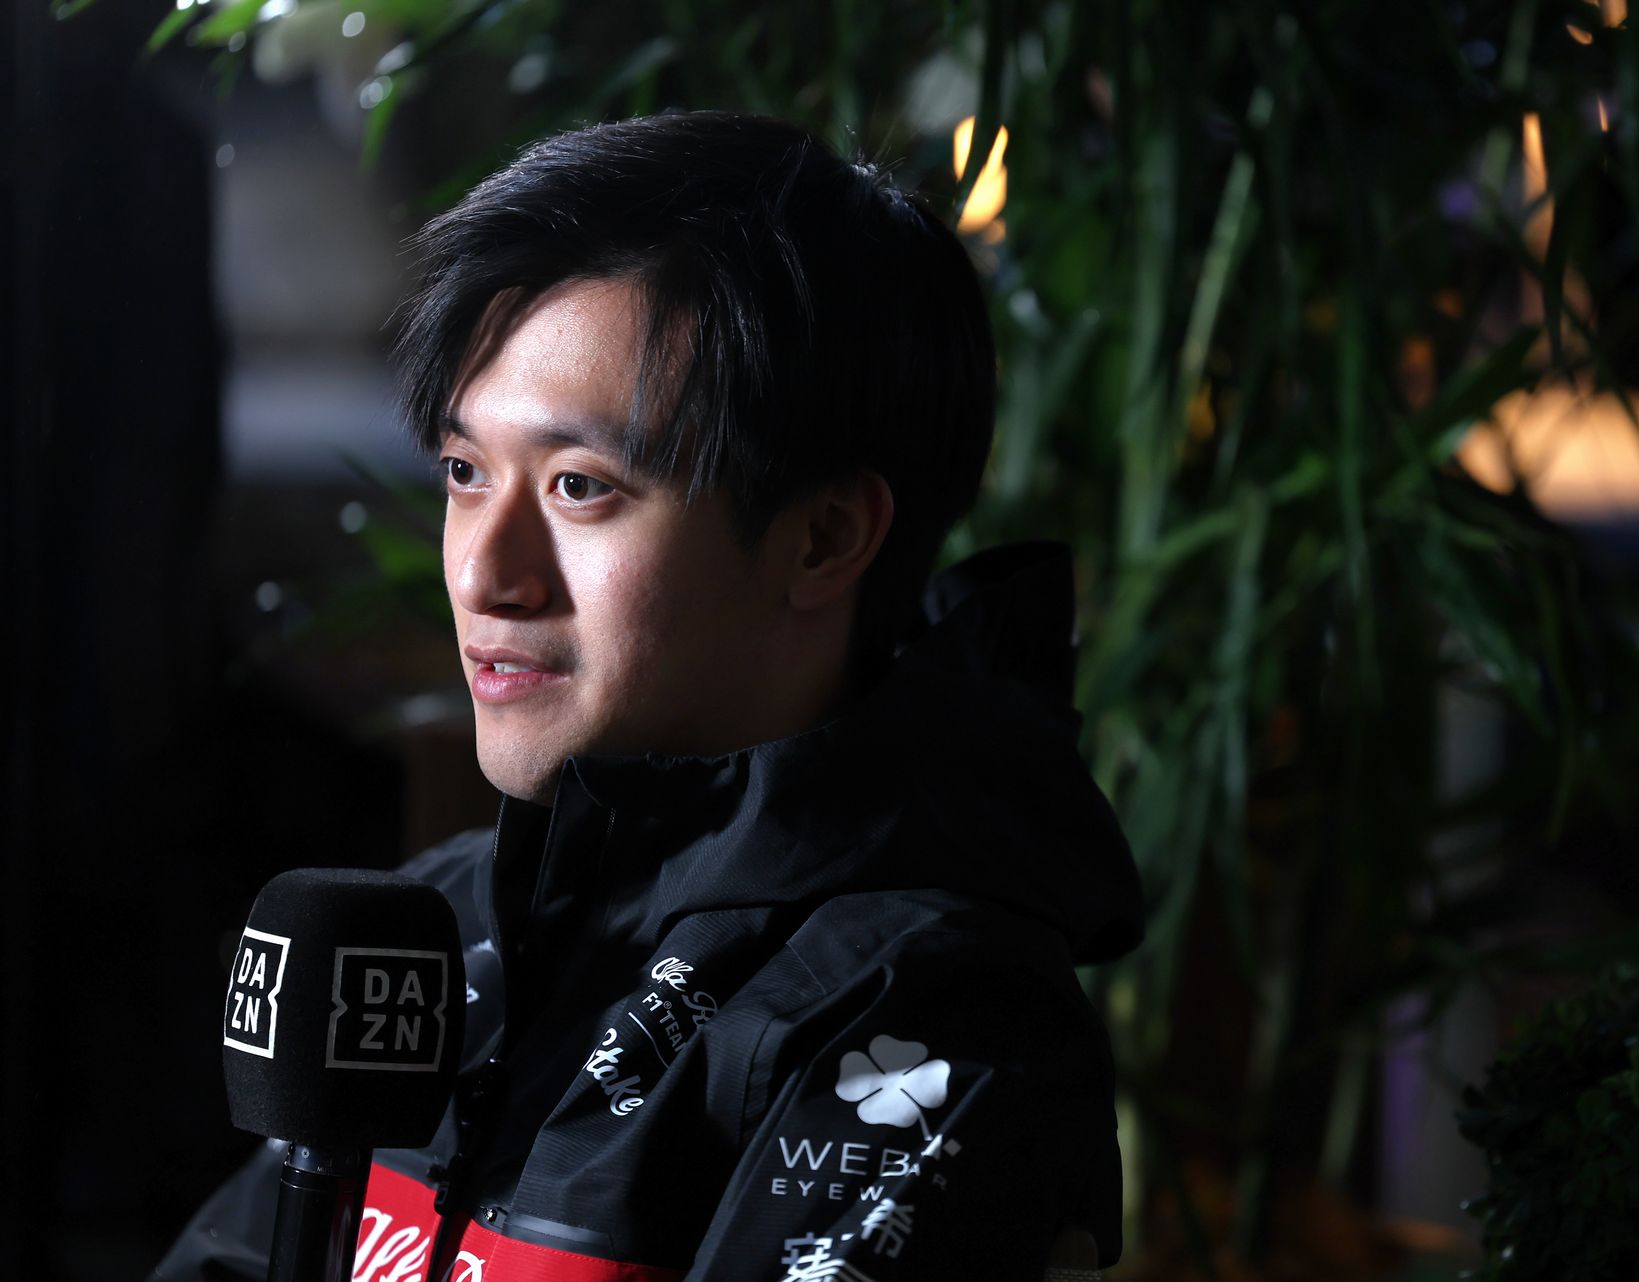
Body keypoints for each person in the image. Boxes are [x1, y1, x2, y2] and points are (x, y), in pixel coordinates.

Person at [151, 109, 1143, 1282]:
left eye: (580, 486)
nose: (482, 573)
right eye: (466, 472)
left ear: (823, 537)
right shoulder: (446, 930)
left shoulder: (935, 1020)